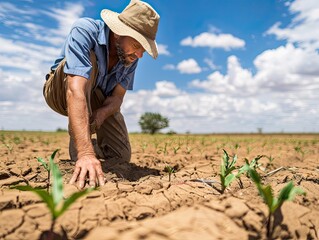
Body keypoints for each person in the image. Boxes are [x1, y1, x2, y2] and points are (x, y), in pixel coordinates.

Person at [43, 0, 160, 189]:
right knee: (89, 60)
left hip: (96, 99)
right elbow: (75, 89)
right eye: (137, 44)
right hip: (60, 90)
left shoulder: (130, 59)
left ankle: (89, 139)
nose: (139, 55)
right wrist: (86, 154)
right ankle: (82, 148)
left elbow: (117, 98)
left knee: (121, 156)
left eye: (143, 49)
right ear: (118, 32)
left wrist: (101, 114)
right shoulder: (85, 30)